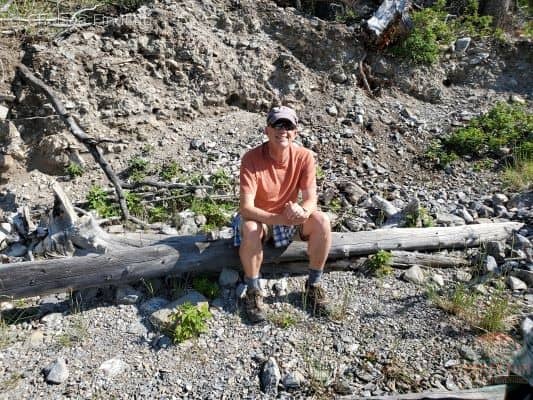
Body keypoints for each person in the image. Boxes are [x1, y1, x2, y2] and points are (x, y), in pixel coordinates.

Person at [233, 106, 332, 323]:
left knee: (322, 221)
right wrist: (279, 219)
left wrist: (302, 211)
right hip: (262, 219)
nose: (283, 130)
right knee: (250, 228)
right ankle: (253, 290)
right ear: (267, 130)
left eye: (288, 125)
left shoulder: (304, 157)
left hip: (288, 216)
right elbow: (246, 208)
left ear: (295, 132)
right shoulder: (251, 159)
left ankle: (313, 284)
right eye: (277, 125)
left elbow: (310, 198)